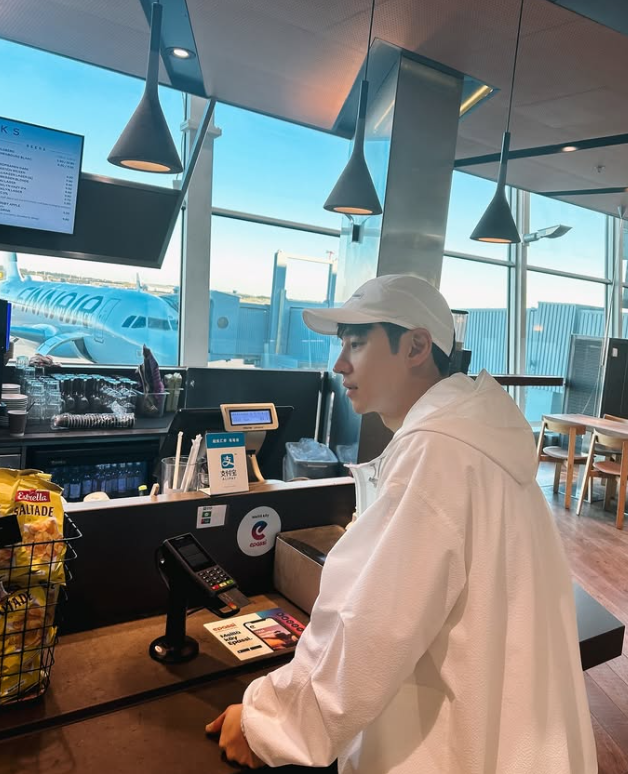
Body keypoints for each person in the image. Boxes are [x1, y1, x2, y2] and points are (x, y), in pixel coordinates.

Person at [206, 274, 597, 774]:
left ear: (416, 346)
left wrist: (267, 724)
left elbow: (371, 629)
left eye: (356, 343)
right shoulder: (479, 439)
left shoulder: (438, 450)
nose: (339, 364)